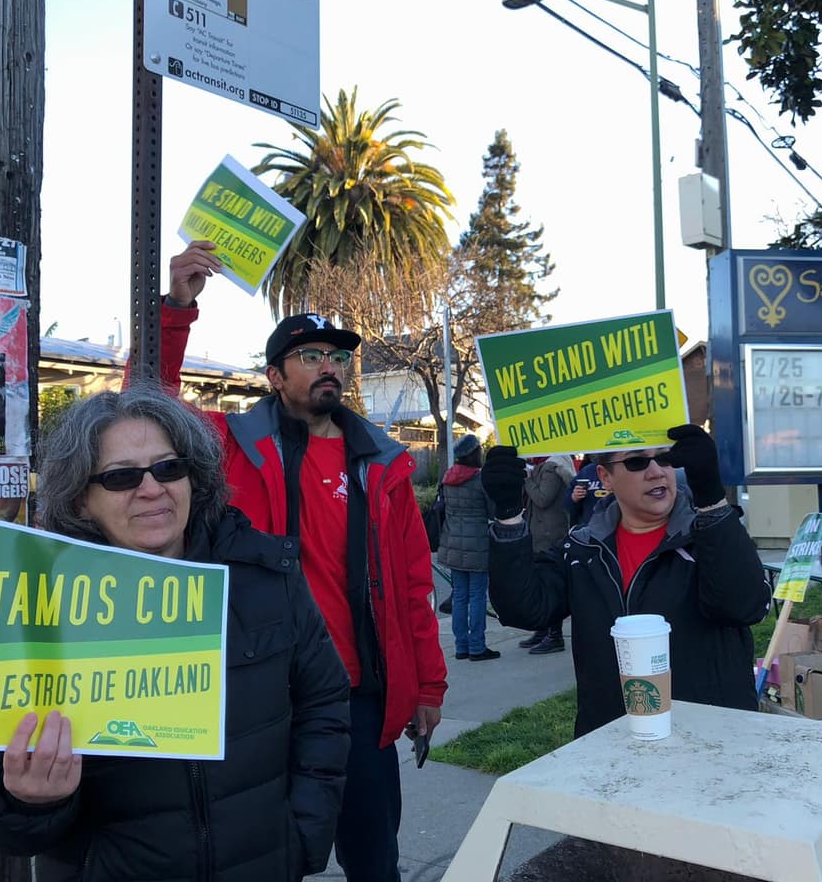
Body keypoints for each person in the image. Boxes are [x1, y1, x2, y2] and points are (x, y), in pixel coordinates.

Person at [0, 383, 351, 881]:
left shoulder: (266, 577)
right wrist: (28, 801)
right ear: (81, 500)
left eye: (169, 468)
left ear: (194, 477)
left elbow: (324, 704)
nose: (152, 489)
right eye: (122, 477)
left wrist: (304, 835)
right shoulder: (34, 613)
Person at [159, 241, 447, 882]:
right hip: (265, 696)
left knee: (375, 860)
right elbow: (147, 405)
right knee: (264, 861)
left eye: (339, 357)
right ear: (275, 375)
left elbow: (412, 585)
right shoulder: (228, 445)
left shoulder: (386, 466)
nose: (330, 367)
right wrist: (178, 307)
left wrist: (427, 687)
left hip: (360, 699)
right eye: (310, 356)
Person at [481, 424, 772, 737]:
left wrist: (713, 503)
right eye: (637, 462)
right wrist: (509, 514)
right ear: (605, 478)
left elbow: (744, 606)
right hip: (611, 743)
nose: (657, 472)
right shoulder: (582, 548)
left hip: (710, 742)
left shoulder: (709, 536)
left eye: (666, 458)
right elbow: (523, 608)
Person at [437, 434, 499, 661]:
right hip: (477, 546)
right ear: (475, 454)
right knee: (477, 597)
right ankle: (477, 647)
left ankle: (461, 647)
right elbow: (492, 511)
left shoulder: (447, 477)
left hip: (453, 544)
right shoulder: (480, 480)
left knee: (460, 597)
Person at [520, 454, 577, 654]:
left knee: (550, 585)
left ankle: (554, 635)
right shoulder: (543, 466)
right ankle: (543, 630)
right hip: (541, 534)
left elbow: (542, 498)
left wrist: (526, 479)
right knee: (540, 585)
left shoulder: (552, 467)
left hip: (550, 535)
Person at [565, 453, 611, 527]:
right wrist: (574, 497)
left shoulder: (621, 468)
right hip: (590, 526)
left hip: (619, 524)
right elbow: (567, 504)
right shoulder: (587, 471)